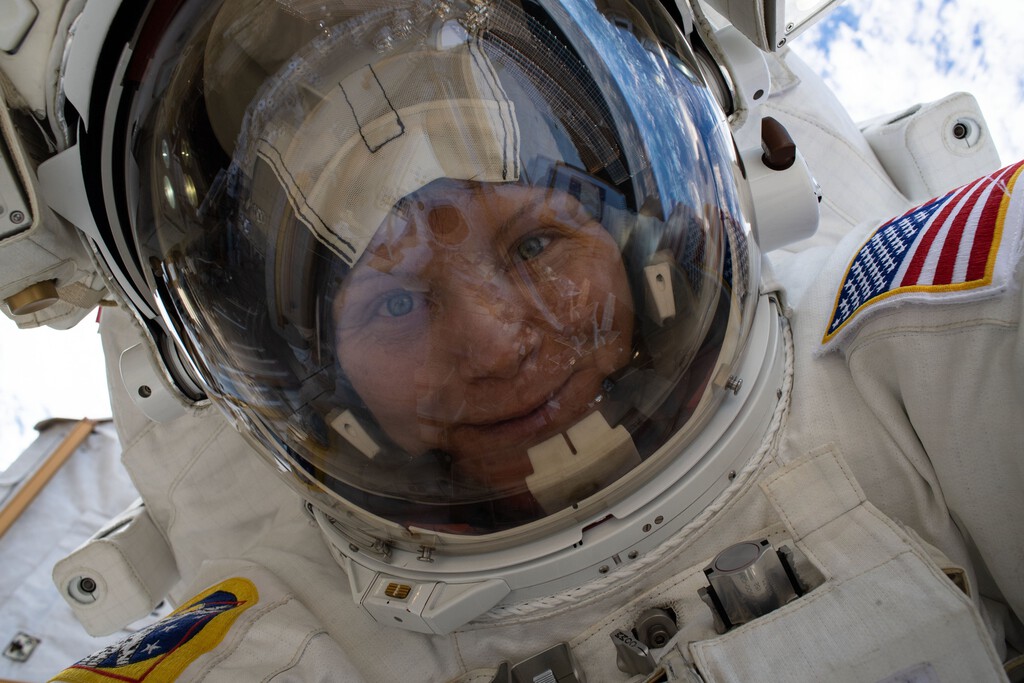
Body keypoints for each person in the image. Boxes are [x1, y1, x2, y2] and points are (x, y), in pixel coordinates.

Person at [0, 0, 1019, 680]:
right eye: (395, 303)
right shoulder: (290, 638)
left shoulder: (923, 347)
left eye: (535, 241)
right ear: (321, 383)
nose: (493, 342)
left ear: (643, 248)